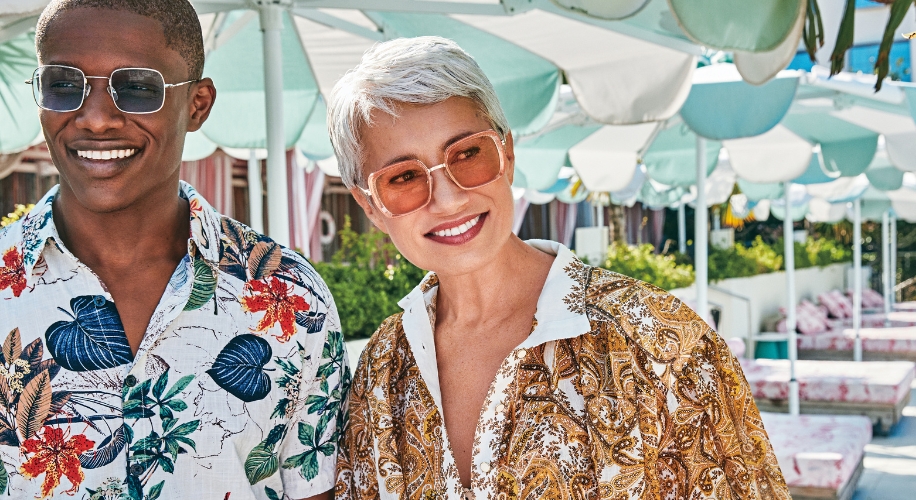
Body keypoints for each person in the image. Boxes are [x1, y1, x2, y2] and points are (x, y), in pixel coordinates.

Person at [330, 36, 789, 500]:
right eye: (404, 177)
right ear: (370, 207)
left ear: (507, 154)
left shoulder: (661, 343)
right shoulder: (380, 371)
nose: (448, 198)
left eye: (467, 153)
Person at [0, 1, 346, 498]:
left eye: (137, 88)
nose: (96, 119)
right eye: (64, 85)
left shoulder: (289, 296)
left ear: (198, 106)